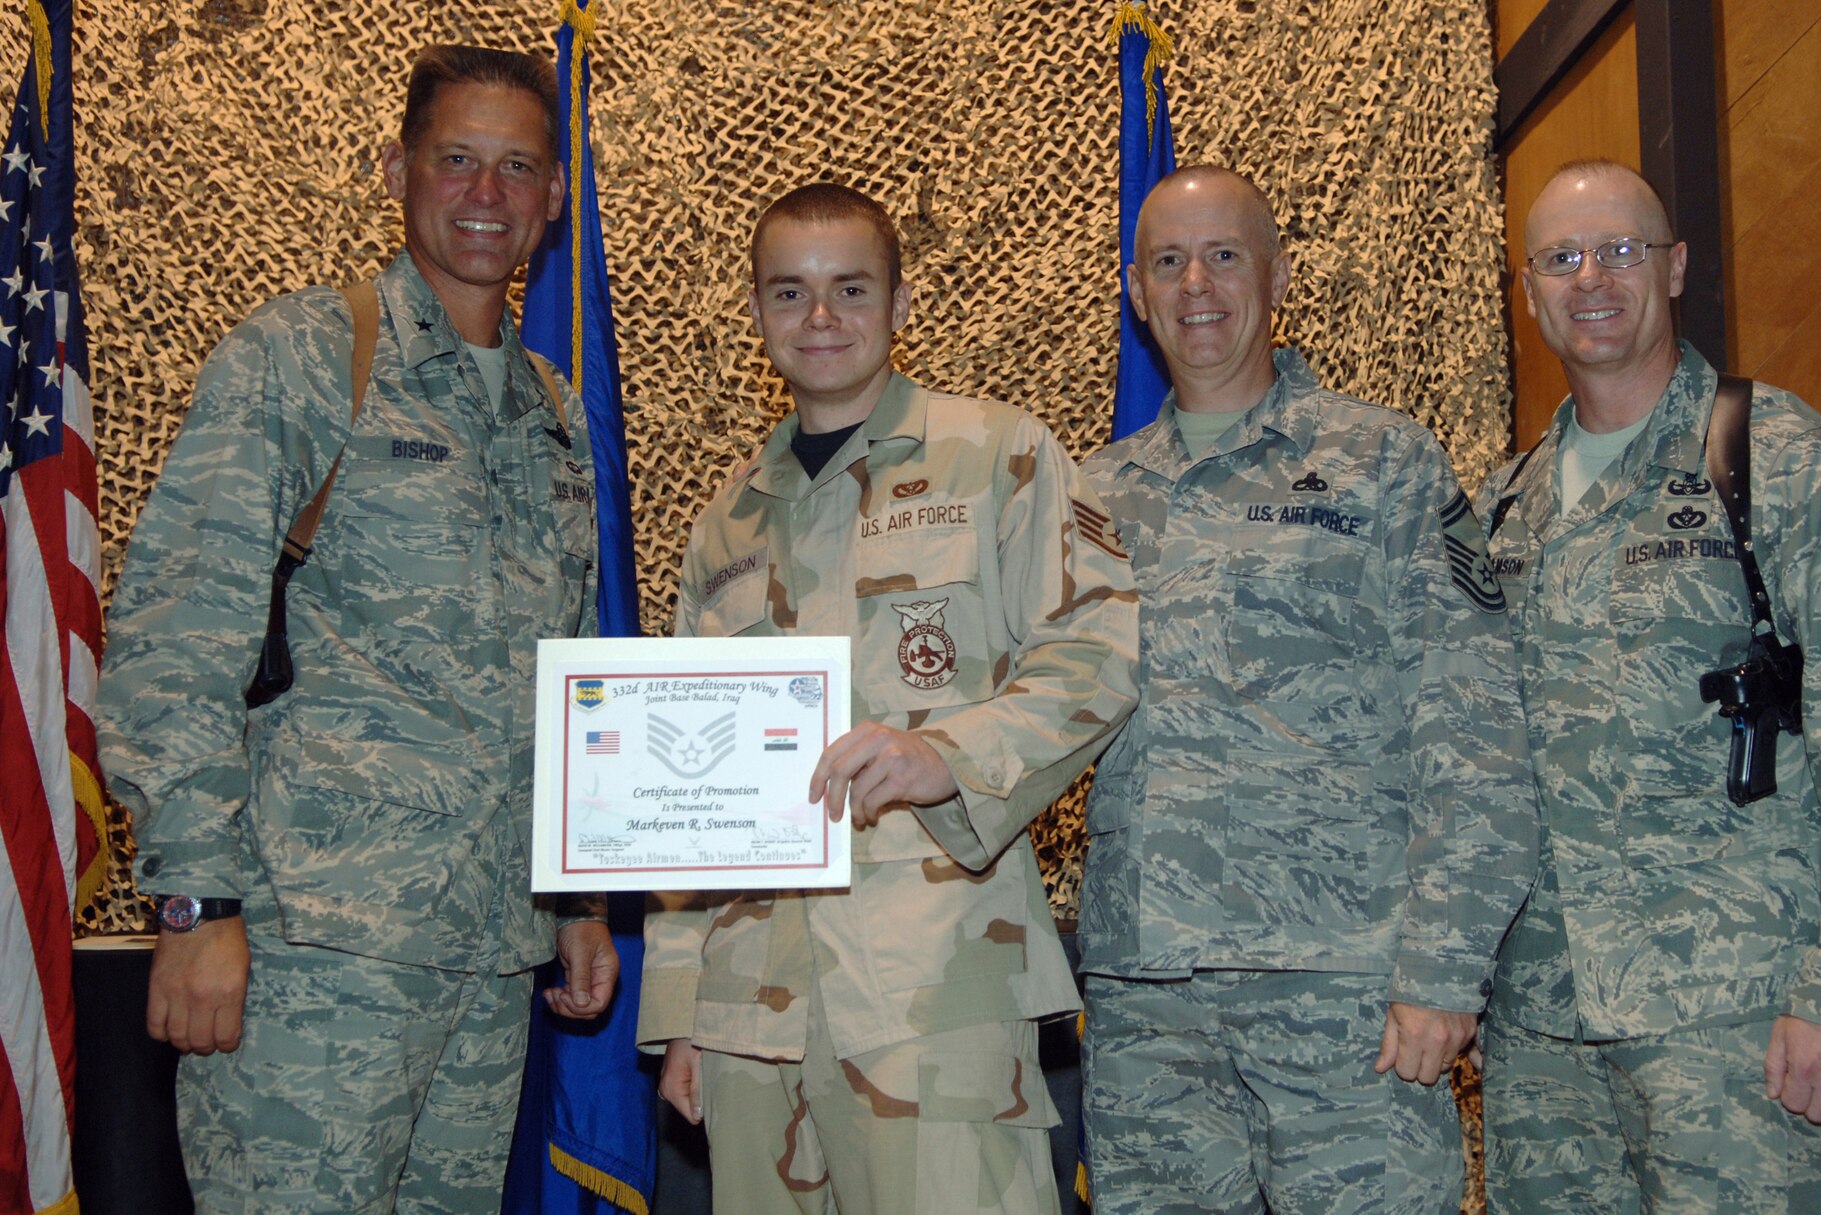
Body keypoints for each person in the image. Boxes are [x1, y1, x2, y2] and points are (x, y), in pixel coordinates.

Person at [97, 45, 616, 1213]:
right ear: (396, 170)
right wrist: (196, 905)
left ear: (553, 197)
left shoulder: (548, 409)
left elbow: (565, 676)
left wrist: (577, 898)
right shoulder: (304, 356)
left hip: (489, 957)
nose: (486, 195)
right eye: (457, 161)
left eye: (517, 167)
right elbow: (179, 640)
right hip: (310, 951)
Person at [1476, 158, 1821, 1213]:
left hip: (1735, 1022)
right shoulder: (1505, 509)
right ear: (1527, 293)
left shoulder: (1781, 466)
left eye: (1621, 250)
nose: (1592, 279)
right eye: (1560, 259)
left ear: (1673, 270)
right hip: (1541, 1038)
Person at [639, 182, 1138, 1215]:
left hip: (934, 985)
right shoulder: (723, 522)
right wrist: (682, 1003)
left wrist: (947, 755)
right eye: (789, 291)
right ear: (756, 312)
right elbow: (680, 785)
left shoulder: (997, 455)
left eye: (849, 288)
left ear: (901, 302)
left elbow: (1095, 653)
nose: (819, 317)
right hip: (752, 1009)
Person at [1077, 164, 1538, 1214]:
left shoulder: (1384, 462)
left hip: (1347, 994)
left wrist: (1441, 971)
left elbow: (1471, 733)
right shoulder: (1084, 501)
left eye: (1224, 255)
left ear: (1277, 276)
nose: (1196, 284)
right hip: (1150, 1008)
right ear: (1137, 294)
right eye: (1167, 262)